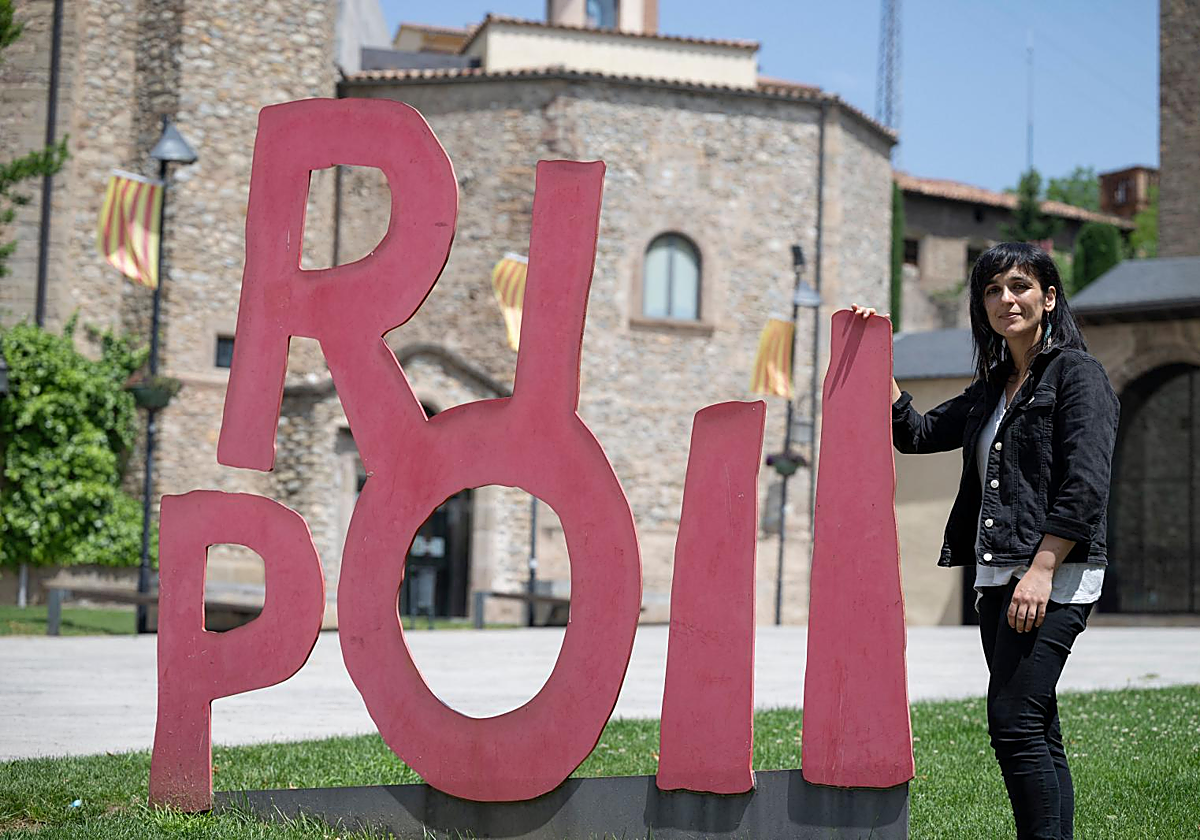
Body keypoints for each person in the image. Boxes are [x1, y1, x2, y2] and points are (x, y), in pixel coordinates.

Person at [853, 242, 1120, 840]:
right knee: (1036, 724)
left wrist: (1044, 567)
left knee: (1014, 723)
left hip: (1052, 577)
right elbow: (918, 435)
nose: (1007, 300)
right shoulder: (992, 387)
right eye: (994, 290)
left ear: (1049, 298)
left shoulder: (1078, 376)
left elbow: (1086, 484)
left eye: (1021, 286)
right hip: (998, 579)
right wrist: (875, 364)